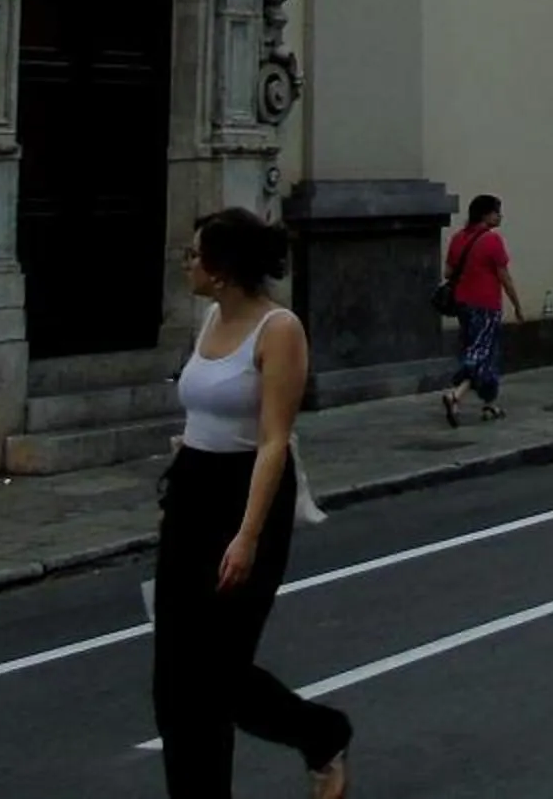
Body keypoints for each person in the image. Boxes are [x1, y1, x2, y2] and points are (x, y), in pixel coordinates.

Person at [158, 208, 351, 799]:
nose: (185, 262)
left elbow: (272, 440)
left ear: (221, 270)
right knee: (174, 675)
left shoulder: (280, 330)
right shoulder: (212, 317)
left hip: (247, 494)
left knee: (217, 672)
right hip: (192, 487)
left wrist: (246, 535)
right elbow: (199, 415)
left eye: (194, 254)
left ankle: (320, 733)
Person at [439, 192, 525, 428]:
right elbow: (504, 278)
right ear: (486, 214)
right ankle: (455, 395)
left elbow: (448, 272)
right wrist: (517, 305)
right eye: (497, 211)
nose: (501, 216)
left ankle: (489, 403)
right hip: (486, 305)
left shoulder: (458, 238)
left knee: (484, 353)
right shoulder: (492, 240)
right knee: (480, 354)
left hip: (463, 305)